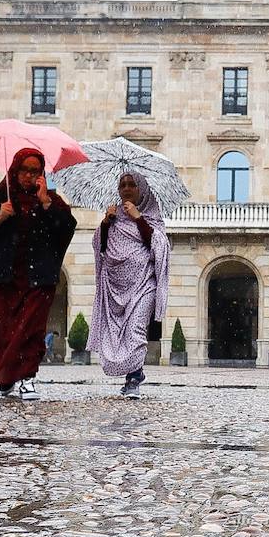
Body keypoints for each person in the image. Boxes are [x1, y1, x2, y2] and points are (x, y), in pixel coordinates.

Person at [0, 148, 77, 401]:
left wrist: (47, 203)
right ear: (15, 171)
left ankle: (28, 378)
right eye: (25, 170)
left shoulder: (51, 200)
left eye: (35, 171)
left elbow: (66, 229)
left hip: (37, 279)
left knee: (31, 329)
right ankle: (6, 376)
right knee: (2, 330)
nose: (29, 176)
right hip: (1, 278)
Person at [88, 171, 170, 398]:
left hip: (143, 284)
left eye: (131, 184)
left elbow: (159, 245)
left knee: (135, 328)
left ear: (141, 189)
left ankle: (133, 378)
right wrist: (105, 223)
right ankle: (135, 372)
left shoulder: (150, 215)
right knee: (119, 334)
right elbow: (101, 248)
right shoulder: (113, 217)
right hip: (115, 287)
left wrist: (138, 218)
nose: (126, 188)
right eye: (122, 184)